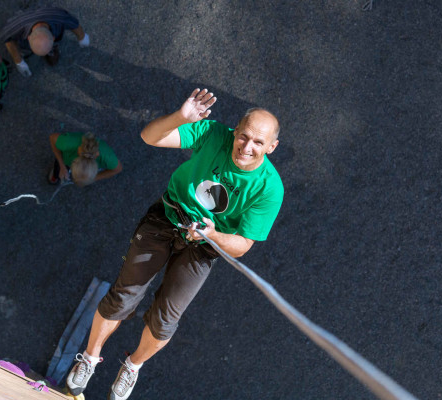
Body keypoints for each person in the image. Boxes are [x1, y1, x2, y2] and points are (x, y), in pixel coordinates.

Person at [66, 89, 284, 399]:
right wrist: (180, 118)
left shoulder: (269, 189)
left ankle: (132, 366)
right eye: (243, 136)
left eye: (258, 143)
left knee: (165, 320)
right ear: (235, 129)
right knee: (123, 295)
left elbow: (243, 244)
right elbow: (150, 137)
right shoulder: (212, 134)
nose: (246, 147)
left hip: (205, 243)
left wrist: (212, 234)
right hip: (168, 217)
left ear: (271, 147)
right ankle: (89, 358)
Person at [0, 7, 90, 77]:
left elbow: (74, 24)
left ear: (53, 38)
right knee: (22, 48)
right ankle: (36, 50)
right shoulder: (15, 27)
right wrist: (18, 60)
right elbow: (7, 39)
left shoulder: (59, 16)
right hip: (25, 19)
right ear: (28, 37)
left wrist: (82, 37)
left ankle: (49, 49)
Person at [48, 132, 122, 187]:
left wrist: (92, 179)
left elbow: (118, 169)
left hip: (68, 159)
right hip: (65, 158)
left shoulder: (108, 157)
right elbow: (52, 138)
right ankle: (56, 175)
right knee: (58, 165)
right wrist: (62, 166)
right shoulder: (67, 143)